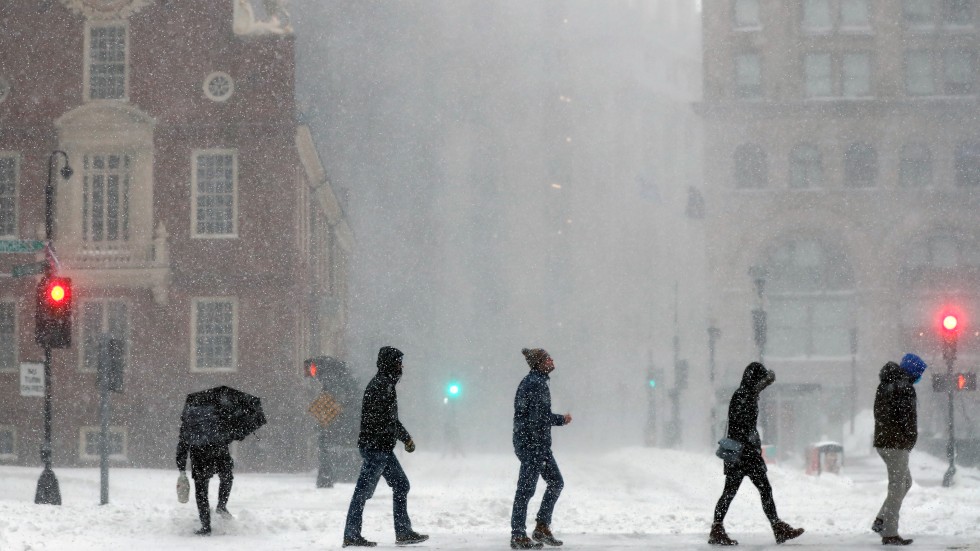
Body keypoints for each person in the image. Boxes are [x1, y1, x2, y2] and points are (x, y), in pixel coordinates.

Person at [709, 362, 804, 546]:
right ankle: (776, 527)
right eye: (761, 381)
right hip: (743, 454)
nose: (762, 385)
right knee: (748, 491)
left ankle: (718, 528)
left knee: (739, 492)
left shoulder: (747, 394)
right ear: (754, 380)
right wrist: (749, 444)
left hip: (743, 453)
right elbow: (740, 426)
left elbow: (742, 425)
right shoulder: (743, 396)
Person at [343, 346, 428, 548]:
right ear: (390, 364)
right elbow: (386, 421)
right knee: (363, 492)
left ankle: (403, 532)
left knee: (401, 484)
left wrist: (405, 438)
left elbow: (390, 420)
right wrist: (402, 438)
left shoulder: (385, 385)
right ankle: (352, 535)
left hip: (381, 448)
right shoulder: (380, 386)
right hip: (376, 449)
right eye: (398, 362)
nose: (401, 366)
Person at [510, 348, 572, 549]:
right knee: (526, 490)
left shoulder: (537, 382)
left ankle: (541, 528)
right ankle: (518, 535)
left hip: (538, 445)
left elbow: (536, 415)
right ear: (539, 363)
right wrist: (561, 419)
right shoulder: (534, 384)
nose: (552, 360)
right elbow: (538, 417)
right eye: (547, 358)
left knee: (556, 482)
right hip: (532, 445)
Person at [871, 353, 926, 546]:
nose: (920, 376)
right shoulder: (904, 387)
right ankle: (890, 533)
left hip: (884, 442)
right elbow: (906, 419)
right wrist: (909, 439)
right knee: (897, 487)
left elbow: (880, 413)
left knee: (906, 482)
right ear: (913, 371)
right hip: (896, 444)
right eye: (919, 372)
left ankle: (881, 520)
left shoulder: (886, 383)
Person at [176, 431, 234, 536]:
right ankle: (221, 505)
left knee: (201, 492)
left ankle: (206, 525)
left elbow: (183, 444)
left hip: (200, 456)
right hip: (219, 452)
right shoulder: (218, 416)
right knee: (226, 477)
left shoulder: (190, 418)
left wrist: (181, 468)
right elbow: (229, 435)